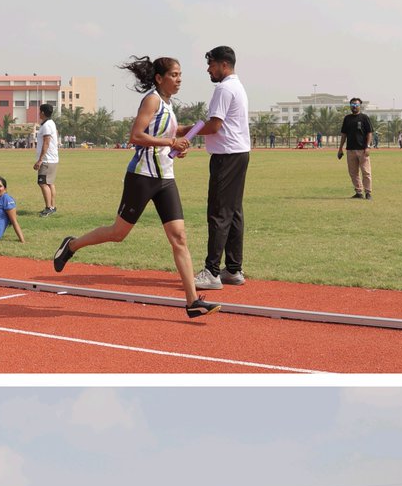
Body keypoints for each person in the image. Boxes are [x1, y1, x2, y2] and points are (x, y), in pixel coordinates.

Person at [53, 55, 221, 319]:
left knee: (179, 237)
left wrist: (196, 131)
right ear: (159, 78)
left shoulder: (168, 103)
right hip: (142, 177)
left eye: (180, 75)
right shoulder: (152, 99)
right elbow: (136, 136)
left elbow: (170, 132)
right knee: (118, 233)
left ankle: (192, 302)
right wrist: (170, 144)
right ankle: (71, 246)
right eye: (174, 75)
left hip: (166, 178)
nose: (179, 80)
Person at [191, 45, 251, 290]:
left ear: (224, 65)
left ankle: (212, 271)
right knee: (233, 212)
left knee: (218, 212)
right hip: (238, 153)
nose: (209, 69)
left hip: (226, 156)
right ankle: (233, 269)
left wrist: (187, 132)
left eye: (211, 64)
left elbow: (214, 125)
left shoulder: (224, 88)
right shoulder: (237, 86)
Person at [337, 99, 374, 200]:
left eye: (356, 104)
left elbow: (369, 133)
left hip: (362, 149)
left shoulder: (364, 118)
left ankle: (368, 192)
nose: (354, 106)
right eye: (352, 104)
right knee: (353, 172)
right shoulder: (347, 118)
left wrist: (368, 146)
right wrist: (340, 148)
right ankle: (359, 192)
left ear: (360, 105)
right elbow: (344, 134)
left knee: (366, 172)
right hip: (350, 150)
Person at [34, 103, 59, 215]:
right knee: (49, 183)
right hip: (52, 159)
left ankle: (48, 207)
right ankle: (52, 206)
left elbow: (46, 142)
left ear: (43, 112)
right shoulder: (50, 123)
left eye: (40, 111)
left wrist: (40, 160)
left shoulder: (47, 125)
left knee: (43, 183)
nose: (39, 113)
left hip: (47, 160)